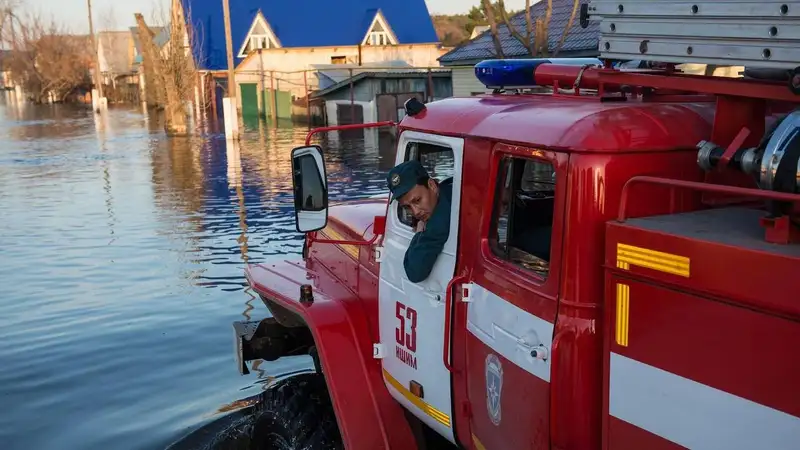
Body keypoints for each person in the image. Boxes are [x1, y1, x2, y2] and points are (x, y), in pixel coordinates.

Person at [386, 160, 453, 283]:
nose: (415, 212)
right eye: (407, 207)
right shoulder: (450, 188)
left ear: (432, 185)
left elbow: (414, 272)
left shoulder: (439, 222)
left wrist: (418, 233)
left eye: (417, 200)